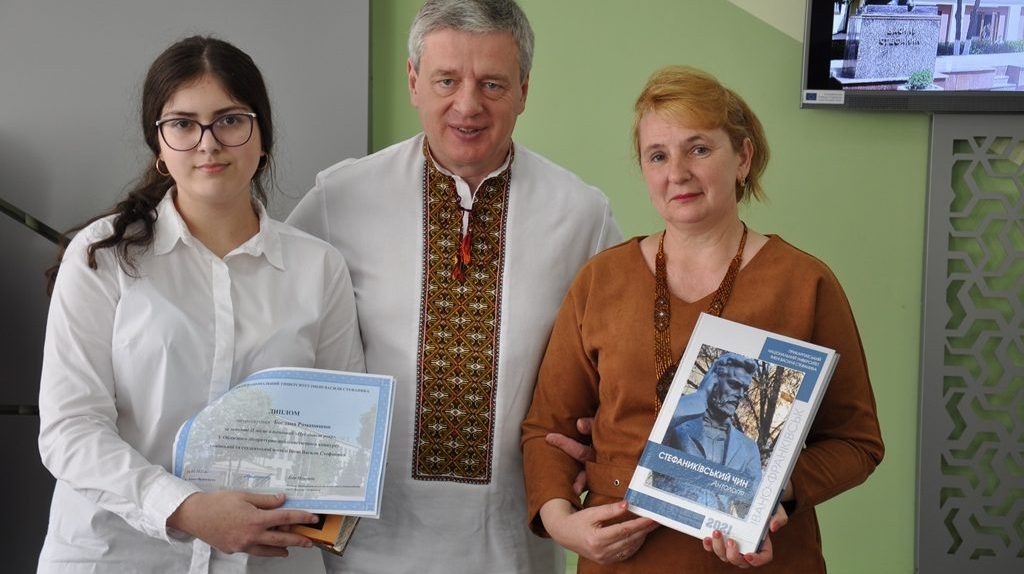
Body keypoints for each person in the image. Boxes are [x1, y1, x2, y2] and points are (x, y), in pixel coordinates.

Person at [286, 1, 621, 571]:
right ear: (414, 81)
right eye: (446, 80)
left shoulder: (582, 214)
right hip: (368, 550)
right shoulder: (339, 200)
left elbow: (616, 367)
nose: (468, 105)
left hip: (516, 547)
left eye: (493, 84)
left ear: (523, 90)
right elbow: (273, 331)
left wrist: (603, 439)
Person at [521, 65, 884, 572]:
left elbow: (856, 442)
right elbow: (547, 428)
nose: (677, 173)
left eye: (698, 149)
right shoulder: (601, 280)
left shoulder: (804, 284)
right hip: (622, 561)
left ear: (743, 158)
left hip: (762, 558)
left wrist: (773, 496)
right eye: (658, 156)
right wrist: (562, 523)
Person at [37, 36, 364, 573]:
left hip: (268, 560)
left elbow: (339, 438)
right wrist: (185, 509)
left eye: (230, 120)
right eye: (183, 124)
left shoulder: (319, 268)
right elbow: (70, 430)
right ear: (159, 144)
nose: (208, 143)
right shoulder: (103, 257)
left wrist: (325, 507)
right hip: (118, 556)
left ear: (263, 138)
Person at [653, 352, 762, 516]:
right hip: (666, 521)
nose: (740, 394)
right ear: (713, 381)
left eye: (744, 389)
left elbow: (750, 508)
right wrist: (701, 395)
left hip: (717, 528)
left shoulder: (748, 448)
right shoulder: (678, 425)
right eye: (734, 385)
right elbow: (656, 440)